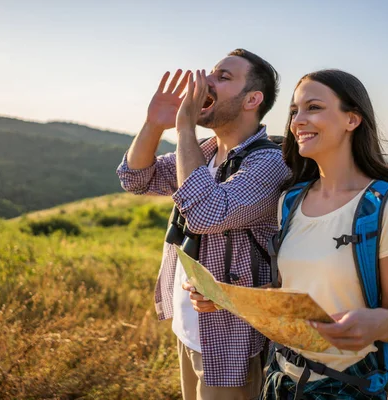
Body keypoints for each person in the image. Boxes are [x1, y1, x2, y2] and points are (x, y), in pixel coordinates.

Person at [116, 49, 290, 399]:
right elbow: (135, 178)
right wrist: (154, 123)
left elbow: (206, 213)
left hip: (231, 341)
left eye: (223, 77)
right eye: (211, 73)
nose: (206, 81)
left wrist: (182, 127)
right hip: (190, 329)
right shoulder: (207, 152)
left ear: (251, 99)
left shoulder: (269, 163)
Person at [260, 69, 388, 400]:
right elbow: (290, 293)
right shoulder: (289, 201)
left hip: (345, 388)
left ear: (352, 120)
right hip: (280, 379)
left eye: (313, 107)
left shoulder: (386, 206)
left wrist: (374, 323)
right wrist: (226, 298)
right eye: (294, 111)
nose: (298, 121)